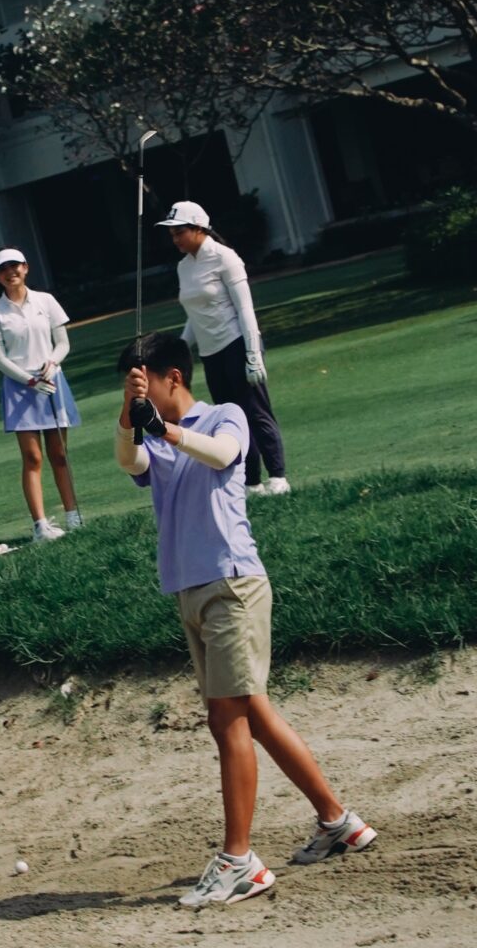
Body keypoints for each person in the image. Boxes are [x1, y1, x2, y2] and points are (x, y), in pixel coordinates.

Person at [115, 329, 374, 908]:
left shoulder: (221, 415)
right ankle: (337, 821)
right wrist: (130, 415)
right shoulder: (151, 437)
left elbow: (228, 455)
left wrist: (165, 428)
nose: (140, 397)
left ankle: (240, 862)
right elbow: (127, 458)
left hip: (232, 585)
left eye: (143, 384)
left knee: (226, 719)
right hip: (191, 591)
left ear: (172, 378)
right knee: (251, 714)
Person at [156, 200, 290, 497]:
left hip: (237, 343)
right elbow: (194, 316)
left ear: (198, 229)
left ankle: (278, 476)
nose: (175, 239)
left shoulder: (224, 257)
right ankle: (251, 481)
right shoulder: (184, 267)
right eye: (172, 234)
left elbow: (245, 310)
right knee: (231, 418)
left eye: (179, 232)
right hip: (210, 353)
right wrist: (179, 348)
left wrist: (253, 355)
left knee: (255, 412)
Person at [0, 249, 83, 542]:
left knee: (60, 454)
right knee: (32, 456)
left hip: (52, 381)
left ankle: (73, 517)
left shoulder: (46, 301)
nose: (10, 272)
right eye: (3, 269)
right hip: (19, 386)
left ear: (25, 268)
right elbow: (0, 359)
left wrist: (52, 363)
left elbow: (62, 342)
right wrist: (28, 380)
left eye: (15, 266)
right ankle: (41, 526)